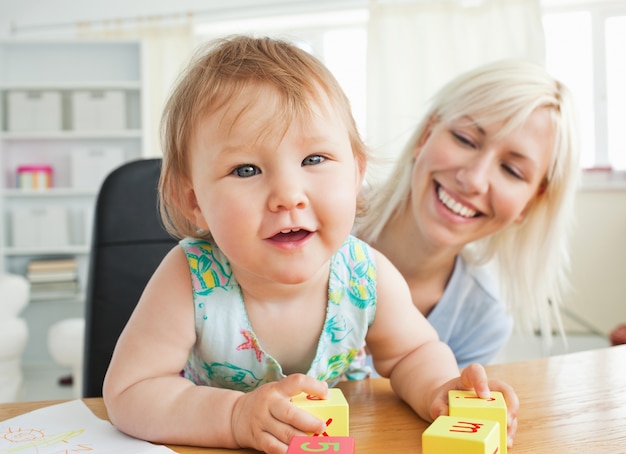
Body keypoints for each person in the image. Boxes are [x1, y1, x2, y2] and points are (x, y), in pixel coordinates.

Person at [102, 36, 519, 453]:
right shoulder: (188, 280)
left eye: (314, 160)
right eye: (246, 169)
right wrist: (234, 417)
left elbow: (413, 352)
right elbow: (130, 392)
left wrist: (439, 388)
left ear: (356, 174)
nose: (288, 194)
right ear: (194, 201)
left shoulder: (364, 274)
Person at [354, 59, 580, 368]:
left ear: (529, 203)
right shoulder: (304, 222)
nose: (473, 179)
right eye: (465, 139)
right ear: (426, 135)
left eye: (512, 171)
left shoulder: (482, 322)